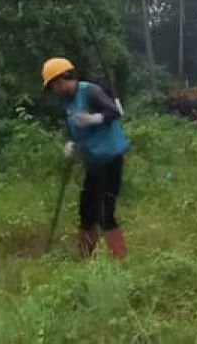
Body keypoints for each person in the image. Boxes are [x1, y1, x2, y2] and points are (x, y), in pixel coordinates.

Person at [42, 56, 129, 259]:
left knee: (106, 212)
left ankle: (120, 258)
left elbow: (113, 112)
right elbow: (73, 130)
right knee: (86, 210)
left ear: (62, 79)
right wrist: (71, 143)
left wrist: (94, 118)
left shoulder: (90, 91)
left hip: (110, 160)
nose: (54, 90)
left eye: (54, 85)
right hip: (93, 162)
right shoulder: (68, 102)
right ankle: (85, 256)